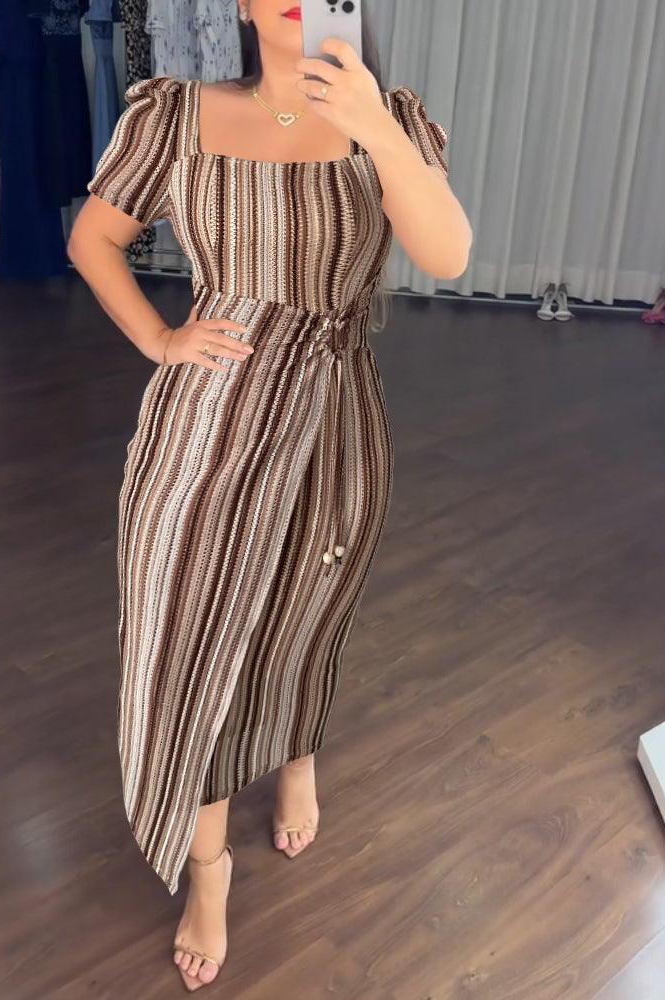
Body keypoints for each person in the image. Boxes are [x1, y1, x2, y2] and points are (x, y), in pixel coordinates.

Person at [68, 0, 471, 991]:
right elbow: (92, 241)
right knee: (188, 639)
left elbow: (448, 255)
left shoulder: (392, 120)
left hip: (335, 416)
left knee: (303, 613)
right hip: (206, 425)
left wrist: (373, 126)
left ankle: (295, 753)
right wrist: (160, 337)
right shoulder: (174, 114)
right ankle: (207, 866)